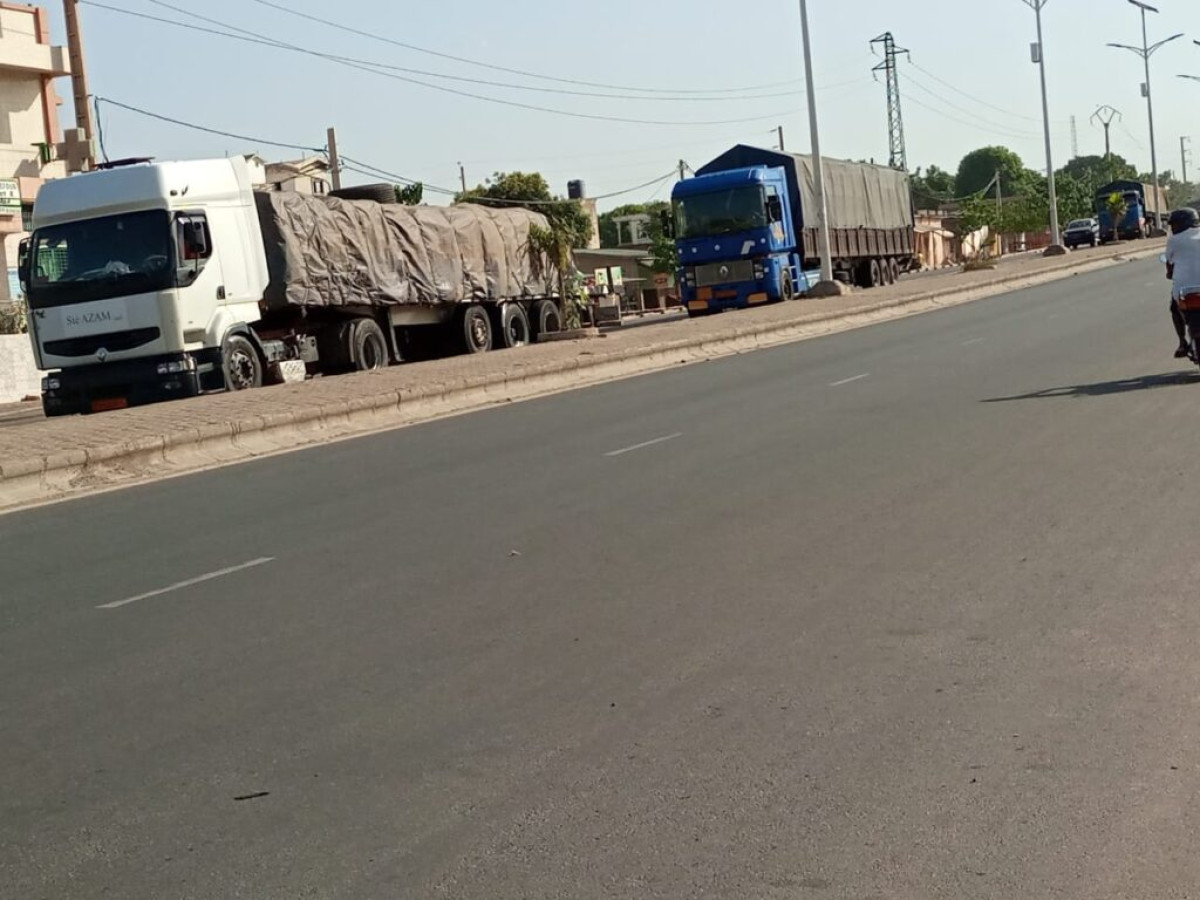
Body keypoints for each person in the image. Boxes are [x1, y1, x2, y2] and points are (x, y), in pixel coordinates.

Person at [1165, 207, 1200, 358]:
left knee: (1174, 309)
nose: (1173, 229)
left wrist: (1170, 273)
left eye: (1175, 225)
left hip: (1184, 291)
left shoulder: (1173, 240)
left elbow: (1169, 262)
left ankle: (1182, 342)